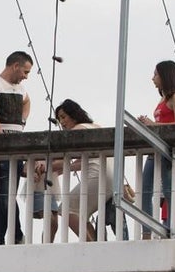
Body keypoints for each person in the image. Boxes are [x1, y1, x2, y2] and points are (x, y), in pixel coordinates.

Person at [32, 98, 114, 242]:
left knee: (66, 208)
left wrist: (46, 167)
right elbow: (79, 163)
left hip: (97, 174)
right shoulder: (95, 126)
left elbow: (65, 158)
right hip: (110, 177)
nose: (62, 122)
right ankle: (96, 245)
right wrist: (53, 169)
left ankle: (89, 245)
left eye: (63, 117)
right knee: (81, 212)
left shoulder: (78, 130)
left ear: (73, 115)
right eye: (59, 119)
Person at [0, 51, 33, 245]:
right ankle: (11, 236)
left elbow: (27, 102)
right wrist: (0, 139)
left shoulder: (21, 89)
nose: (26, 76)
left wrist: (22, 120)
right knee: (6, 193)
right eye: (25, 72)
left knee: (7, 193)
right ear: (15, 66)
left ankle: (3, 238)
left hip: (17, 144)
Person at [138, 60, 175, 237]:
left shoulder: (174, 98)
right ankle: (147, 229)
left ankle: (172, 225)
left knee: (168, 189)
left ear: (165, 76)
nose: (153, 78)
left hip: (166, 149)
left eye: (156, 74)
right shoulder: (163, 98)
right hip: (155, 149)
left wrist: (153, 125)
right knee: (144, 189)